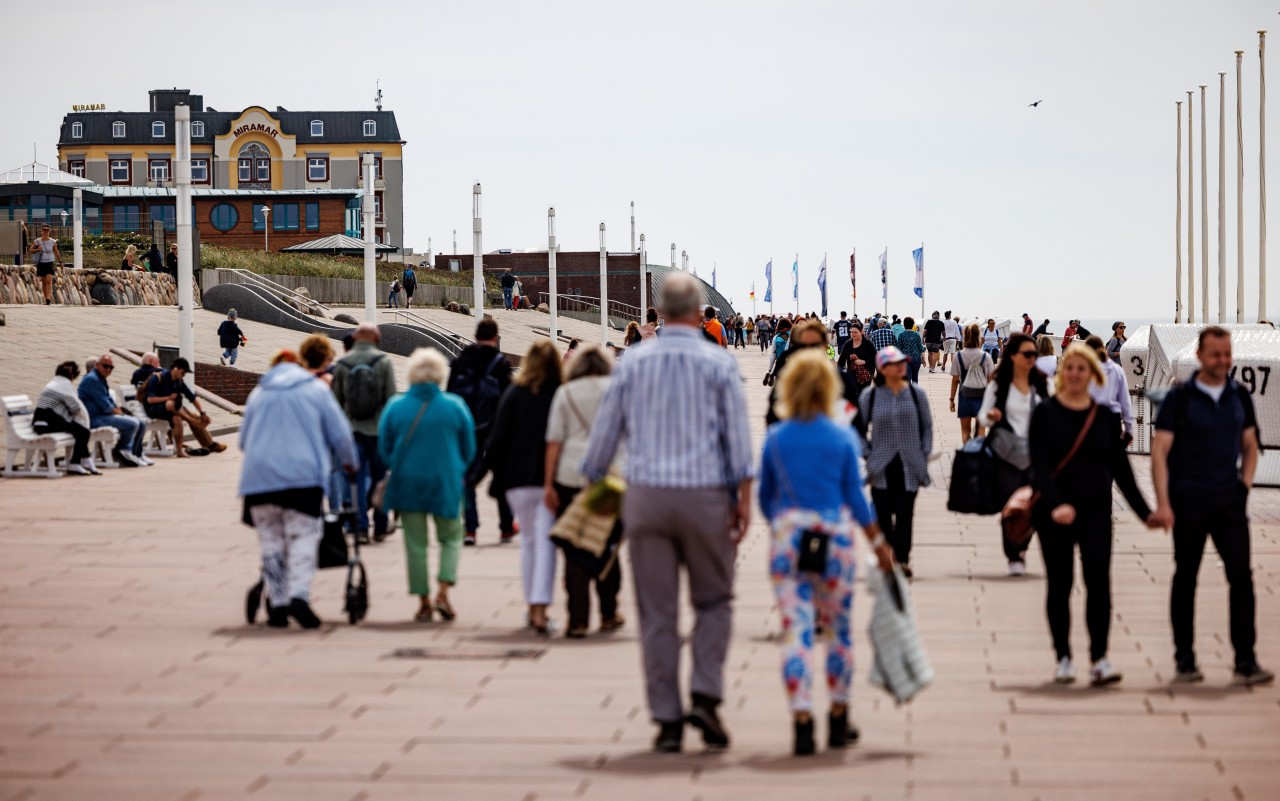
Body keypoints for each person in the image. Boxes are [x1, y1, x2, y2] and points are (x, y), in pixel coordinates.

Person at [582, 271, 754, 754]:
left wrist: (596, 479)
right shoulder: (719, 365)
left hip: (647, 496)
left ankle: (666, 718)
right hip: (706, 497)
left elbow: (604, 439)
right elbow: (738, 445)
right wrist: (742, 502)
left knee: (657, 612)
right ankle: (704, 692)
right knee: (714, 601)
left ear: (660, 310)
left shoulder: (633, 362)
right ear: (700, 313)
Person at [759, 349, 892, 756]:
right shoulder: (842, 438)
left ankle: (801, 719)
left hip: (789, 540)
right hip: (834, 539)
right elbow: (856, 498)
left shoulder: (777, 438)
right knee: (838, 632)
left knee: (796, 632)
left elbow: (766, 498)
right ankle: (838, 717)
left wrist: (785, 521)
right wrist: (879, 543)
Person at [1149, 326, 1274, 685]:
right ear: (1200, 357)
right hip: (1188, 500)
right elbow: (1160, 452)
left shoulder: (1239, 395)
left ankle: (1245, 661)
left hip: (1228, 502)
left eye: (1227, 354)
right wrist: (1164, 502)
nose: (1223, 361)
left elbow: (1250, 444)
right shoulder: (1180, 399)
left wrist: (1244, 487)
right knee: (1186, 578)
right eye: (1216, 354)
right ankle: (1184, 660)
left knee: (1242, 579)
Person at [1029, 343, 1155, 686]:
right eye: (1069, 367)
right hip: (1054, 514)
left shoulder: (1104, 417)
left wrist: (1147, 514)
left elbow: (1122, 471)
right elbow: (1038, 467)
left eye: (1081, 369)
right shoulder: (1045, 413)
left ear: (1093, 375)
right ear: (1061, 372)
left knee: (1099, 585)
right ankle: (1064, 658)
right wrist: (1055, 504)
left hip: (1096, 513)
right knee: (1061, 584)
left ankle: (1099, 658)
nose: (1074, 374)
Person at [239, 355, 358, 628]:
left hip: (259, 482)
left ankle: (278, 603)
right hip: (302, 479)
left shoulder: (258, 394)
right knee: (304, 536)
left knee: (271, 542)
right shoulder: (316, 390)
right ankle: (298, 596)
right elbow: (340, 434)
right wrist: (351, 463)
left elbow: (244, 440)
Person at [379, 348, 476, 623]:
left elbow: (384, 448)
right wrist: (458, 467)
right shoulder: (455, 405)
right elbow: (469, 448)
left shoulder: (396, 406)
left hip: (407, 481)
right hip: (445, 480)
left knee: (415, 543)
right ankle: (444, 590)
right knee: (451, 537)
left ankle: (423, 601)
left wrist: (397, 464)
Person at [477, 340, 562, 634]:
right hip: (548, 480)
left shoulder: (514, 394)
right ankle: (539, 608)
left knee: (528, 541)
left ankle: (531, 607)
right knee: (546, 543)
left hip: (515, 481)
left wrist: (480, 475)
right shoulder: (558, 394)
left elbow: (497, 439)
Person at [543, 344, 626, 638]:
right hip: (611, 480)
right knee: (607, 545)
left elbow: (554, 441)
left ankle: (577, 619)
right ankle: (609, 611)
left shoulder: (566, 393)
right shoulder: (618, 390)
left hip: (570, 478)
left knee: (575, 549)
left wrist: (549, 483)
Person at [977, 333, 1048, 576]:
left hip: (1036, 454)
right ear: (1014, 357)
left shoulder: (1041, 384)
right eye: (1027, 354)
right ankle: (1013, 554)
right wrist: (992, 417)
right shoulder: (999, 385)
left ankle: (1022, 543)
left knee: (1036, 506)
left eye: (1034, 355)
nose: (1032, 359)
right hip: (1006, 454)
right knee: (1011, 507)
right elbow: (982, 415)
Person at [861, 346, 932, 578]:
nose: (902, 366)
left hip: (910, 465)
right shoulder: (869, 396)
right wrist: (867, 453)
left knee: (905, 513)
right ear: (882, 368)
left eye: (903, 362)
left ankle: (901, 559)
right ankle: (887, 555)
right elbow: (857, 430)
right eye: (896, 363)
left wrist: (924, 453)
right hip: (880, 465)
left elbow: (927, 428)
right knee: (882, 516)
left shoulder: (916, 394)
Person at [449, 318, 517, 546]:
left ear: (476, 335)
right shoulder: (500, 364)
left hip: (466, 427)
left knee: (467, 479)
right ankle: (506, 526)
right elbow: (509, 400)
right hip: (495, 429)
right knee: (502, 476)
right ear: (495, 337)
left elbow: (449, 394)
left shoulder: (460, 360)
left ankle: (470, 529)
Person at [332, 322, 397, 543]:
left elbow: (336, 404)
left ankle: (360, 527)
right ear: (377, 339)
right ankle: (380, 525)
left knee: (355, 480)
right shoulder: (384, 362)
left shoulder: (342, 363)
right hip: (378, 432)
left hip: (352, 432)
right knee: (380, 479)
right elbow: (390, 401)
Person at [767, 319, 863, 430]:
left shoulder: (841, 380)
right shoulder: (787, 380)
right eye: (804, 346)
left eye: (815, 345)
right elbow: (773, 420)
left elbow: (856, 424)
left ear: (824, 347)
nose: (810, 350)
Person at [138, 357, 225, 456]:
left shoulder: (179, 381)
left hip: (173, 410)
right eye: (183, 372)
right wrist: (168, 397)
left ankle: (188, 449)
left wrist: (202, 413)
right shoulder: (158, 378)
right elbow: (150, 399)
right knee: (171, 404)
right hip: (154, 409)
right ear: (175, 369)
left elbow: (192, 398)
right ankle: (192, 422)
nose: (184, 375)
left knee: (180, 418)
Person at [78, 354, 150, 467]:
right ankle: (122, 450)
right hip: (94, 418)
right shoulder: (92, 380)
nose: (108, 369)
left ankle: (133, 453)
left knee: (140, 422)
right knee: (133, 423)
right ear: (97, 365)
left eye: (111, 367)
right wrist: (121, 414)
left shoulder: (100, 378)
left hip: (103, 415)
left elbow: (110, 402)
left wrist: (120, 412)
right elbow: (106, 406)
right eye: (105, 366)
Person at [33, 360, 99, 475]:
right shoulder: (65, 385)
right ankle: (77, 462)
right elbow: (75, 408)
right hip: (47, 423)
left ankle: (85, 461)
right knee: (83, 432)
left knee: (81, 431)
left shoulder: (53, 383)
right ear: (73, 376)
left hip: (41, 422)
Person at [949, 323, 996, 443]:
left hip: (964, 396)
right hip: (982, 398)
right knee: (981, 432)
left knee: (965, 431)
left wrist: (951, 400)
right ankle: (979, 457)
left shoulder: (958, 356)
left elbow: (955, 380)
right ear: (979, 338)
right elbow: (991, 380)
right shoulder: (986, 357)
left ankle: (967, 455)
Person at [1085, 335, 1135, 442]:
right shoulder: (1116, 370)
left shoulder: (1086, 370)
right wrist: (1128, 429)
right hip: (1113, 418)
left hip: (1090, 417)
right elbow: (1125, 401)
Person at [30, 224, 60, 305]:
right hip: (41, 262)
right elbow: (31, 250)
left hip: (50, 262)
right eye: (44, 230)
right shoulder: (37, 241)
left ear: (49, 231)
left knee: (48, 281)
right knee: (43, 282)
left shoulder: (53, 241)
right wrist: (37, 249)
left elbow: (56, 251)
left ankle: (48, 298)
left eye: (47, 230)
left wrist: (60, 261)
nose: (46, 231)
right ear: (42, 231)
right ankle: (46, 298)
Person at [896, 316, 925, 383]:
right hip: (916, 358)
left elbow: (898, 349)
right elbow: (921, 347)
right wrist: (924, 359)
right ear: (912, 325)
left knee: (907, 378)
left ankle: (908, 392)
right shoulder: (917, 334)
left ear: (904, 324)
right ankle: (915, 392)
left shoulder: (901, 335)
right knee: (915, 377)